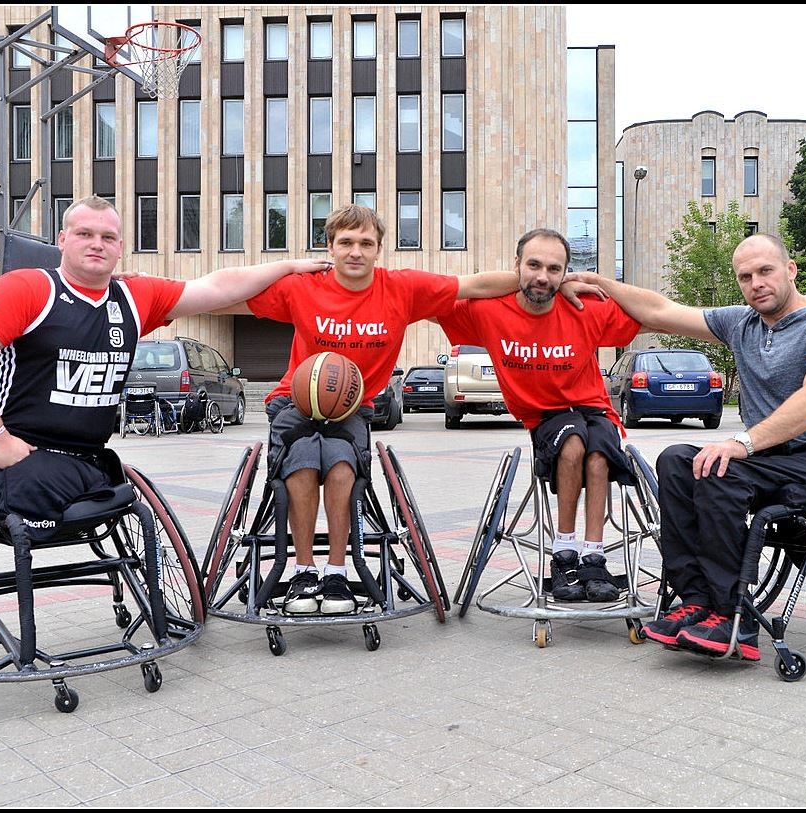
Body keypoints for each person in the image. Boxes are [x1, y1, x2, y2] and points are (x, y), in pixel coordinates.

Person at [214, 205, 595, 614]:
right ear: (329, 247)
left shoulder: (402, 287)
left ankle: (338, 573)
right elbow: (227, 295)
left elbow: (478, 284)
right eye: (345, 243)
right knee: (304, 463)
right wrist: (288, 265)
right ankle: (305, 572)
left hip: (351, 407)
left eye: (365, 243)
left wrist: (558, 283)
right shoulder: (304, 287)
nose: (355, 252)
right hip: (296, 400)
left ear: (380, 249)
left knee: (342, 466)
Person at [0, 195, 329, 533]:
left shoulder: (133, 296)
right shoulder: (29, 287)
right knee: (49, 505)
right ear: (62, 240)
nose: (97, 244)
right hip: (24, 454)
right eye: (84, 234)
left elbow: (215, 287)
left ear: (120, 246)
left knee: (129, 500)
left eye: (107, 237)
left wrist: (288, 266)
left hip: (93, 457)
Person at [584, 233, 806, 660]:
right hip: (765, 457)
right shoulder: (742, 322)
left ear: (790, 270)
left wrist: (743, 442)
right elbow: (661, 312)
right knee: (679, 461)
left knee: (721, 470)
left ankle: (732, 613)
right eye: (745, 276)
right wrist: (596, 281)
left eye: (765, 271)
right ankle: (696, 600)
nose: (756, 283)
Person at [436, 228, 642, 603]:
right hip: (546, 415)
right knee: (574, 444)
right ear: (516, 265)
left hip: (594, 407)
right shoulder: (490, 309)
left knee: (599, 455)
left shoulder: (582, 306)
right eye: (533, 265)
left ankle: (594, 556)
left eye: (554, 268)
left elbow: (650, 314)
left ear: (566, 272)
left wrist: (594, 281)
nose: (543, 276)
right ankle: (564, 554)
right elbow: (432, 299)